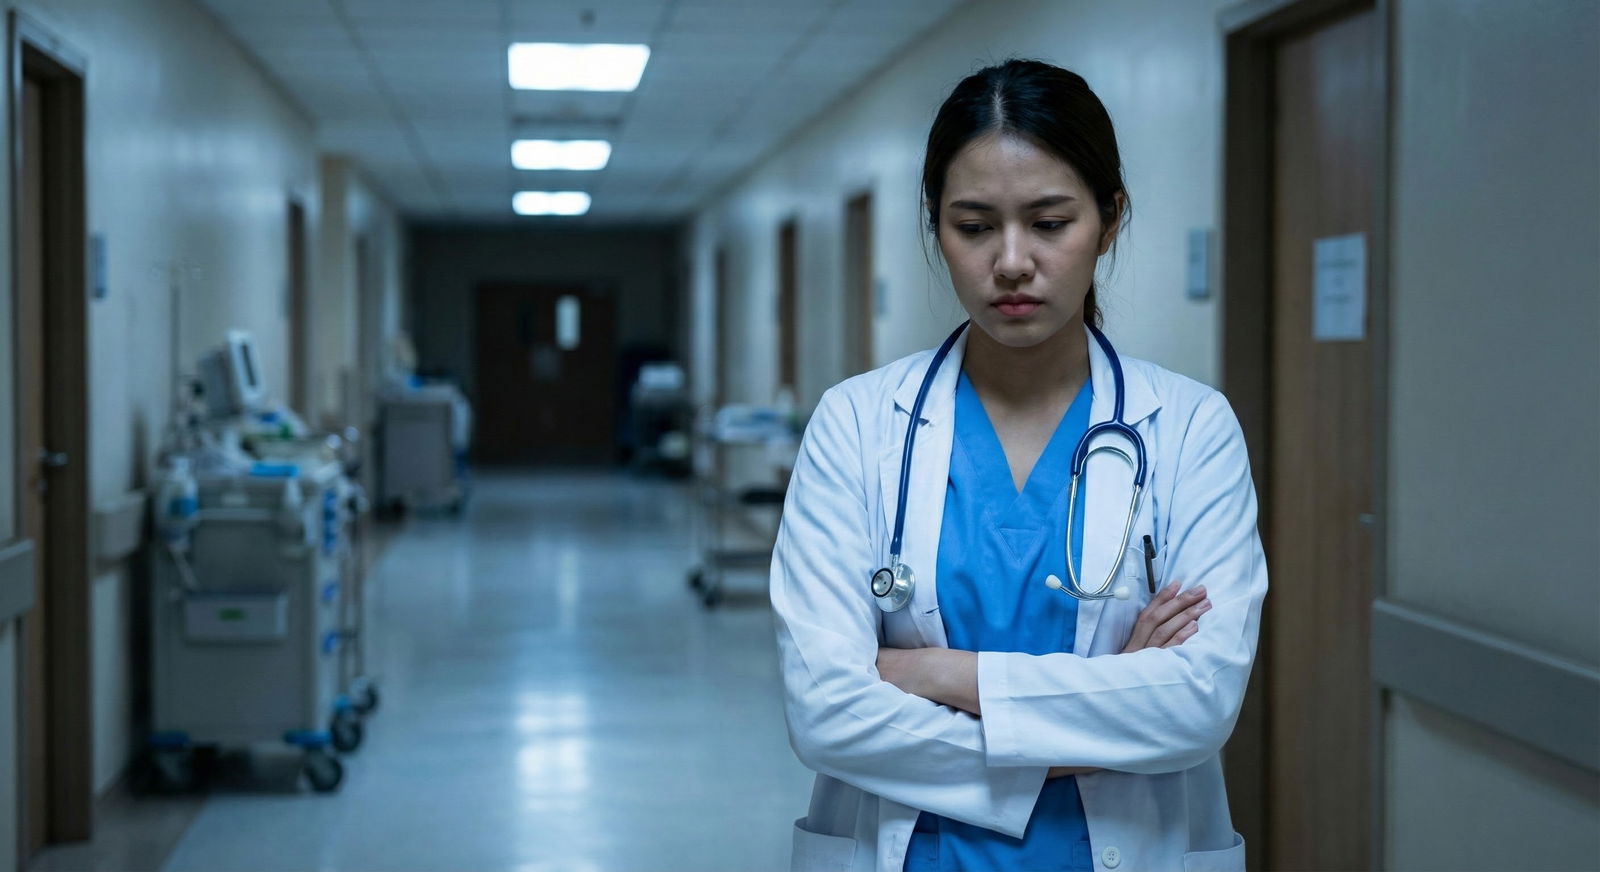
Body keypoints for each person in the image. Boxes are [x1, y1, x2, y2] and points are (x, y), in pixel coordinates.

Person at [770, 59, 1266, 872]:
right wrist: (1102, 719)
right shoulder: (856, 424)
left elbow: (1196, 704)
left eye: (1049, 222)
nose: (1010, 261)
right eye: (973, 226)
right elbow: (826, 714)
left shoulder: (1189, 430)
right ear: (936, 227)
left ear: (1110, 220)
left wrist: (933, 672)